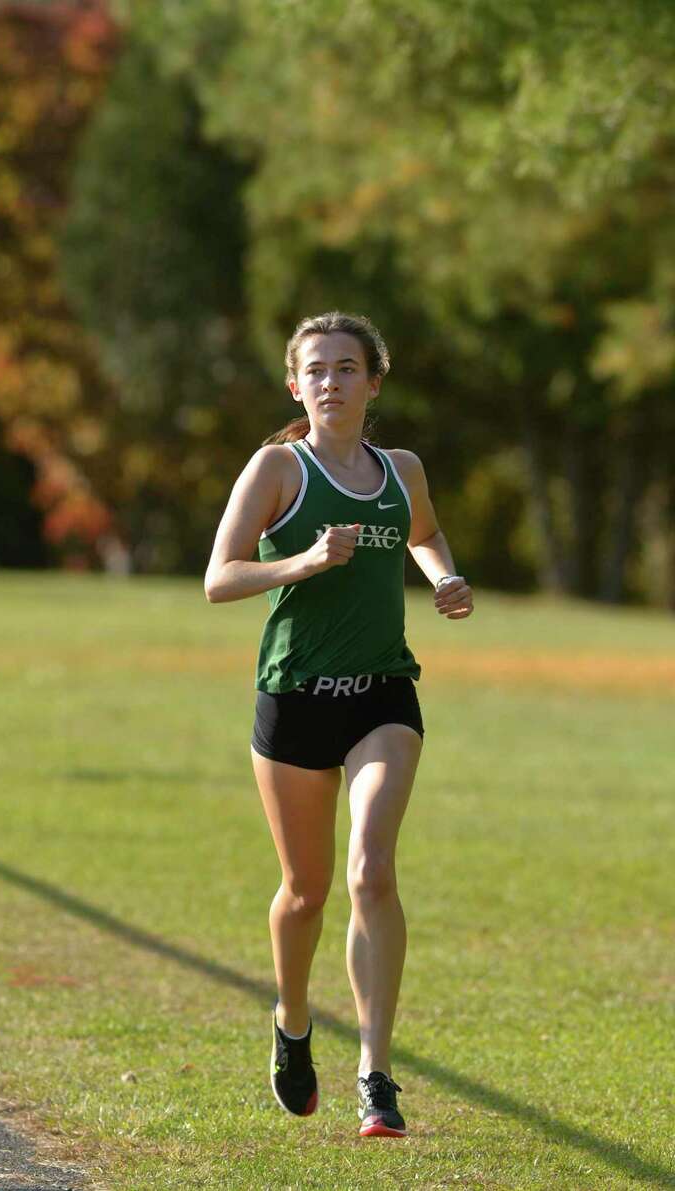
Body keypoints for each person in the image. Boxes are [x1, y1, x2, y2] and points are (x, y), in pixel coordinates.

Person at [203, 311, 473, 1139]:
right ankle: (291, 1022)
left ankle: (376, 1074)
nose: (331, 381)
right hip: (294, 698)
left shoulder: (402, 470)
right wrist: (306, 560)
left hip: (383, 696)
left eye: (347, 368)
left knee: (372, 872)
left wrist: (445, 575)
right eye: (316, 370)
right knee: (305, 890)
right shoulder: (276, 467)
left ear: (373, 381)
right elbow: (219, 577)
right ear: (295, 384)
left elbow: (423, 533)